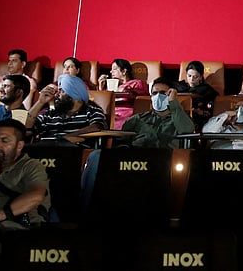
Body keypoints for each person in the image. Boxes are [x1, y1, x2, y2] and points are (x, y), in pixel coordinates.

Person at [80, 77, 195, 209]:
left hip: (163, 162)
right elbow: (121, 141)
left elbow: (187, 129)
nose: (158, 96)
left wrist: (174, 104)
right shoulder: (137, 119)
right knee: (96, 156)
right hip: (135, 162)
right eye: (155, 93)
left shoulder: (178, 117)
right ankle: (86, 209)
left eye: (163, 93)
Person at [26, 73, 106, 147]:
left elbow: (96, 128)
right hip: (42, 152)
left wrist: (64, 140)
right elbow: (26, 129)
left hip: (72, 153)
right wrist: (40, 102)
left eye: (62, 91)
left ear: (75, 94)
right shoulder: (50, 114)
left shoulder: (92, 111)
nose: (57, 95)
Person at [97, 58, 147, 131]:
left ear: (124, 71)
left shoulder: (136, 83)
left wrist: (127, 89)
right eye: (111, 69)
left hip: (126, 115)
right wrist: (101, 88)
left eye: (114, 69)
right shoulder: (111, 86)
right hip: (110, 115)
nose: (111, 71)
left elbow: (141, 96)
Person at [177, 60, 220, 130]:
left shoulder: (207, 91)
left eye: (195, 77)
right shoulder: (180, 86)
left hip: (198, 121)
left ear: (201, 76)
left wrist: (200, 112)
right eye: (189, 76)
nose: (191, 79)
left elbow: (211, 108)